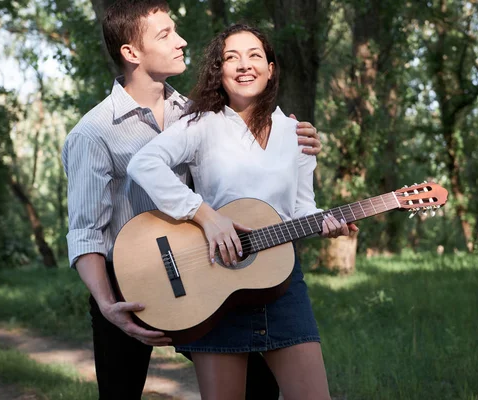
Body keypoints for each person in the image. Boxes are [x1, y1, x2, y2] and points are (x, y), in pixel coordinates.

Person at [61, 1, 323, 399]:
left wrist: (295, 142)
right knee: (121, 393)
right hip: (126, 284)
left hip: (205, 273)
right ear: (131, 53)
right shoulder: (93, 133)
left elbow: (242, 181)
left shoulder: (197, 113)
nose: (182, 41)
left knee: (258, 388)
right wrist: (107, 303)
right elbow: (85, 232)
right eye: (165, 34)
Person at [127, 24, 358, 399]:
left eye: (254, 56)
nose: (243, 65)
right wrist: (207, 216)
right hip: (214, 280)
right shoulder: (200, 124)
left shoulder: (295, 132)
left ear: (270, 68)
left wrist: (324, 224)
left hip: (282, 285)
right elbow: (144, 164)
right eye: (231, 57)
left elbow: (301, 210)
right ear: (219, 71)